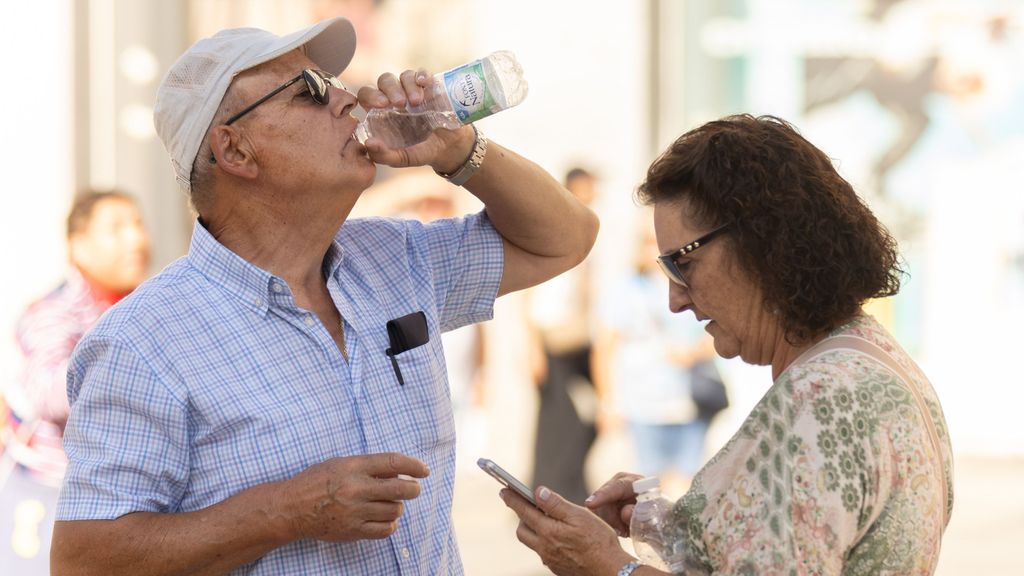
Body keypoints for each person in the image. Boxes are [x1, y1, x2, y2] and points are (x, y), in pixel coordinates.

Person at [50, 17, 598, 576]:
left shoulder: (392, 256)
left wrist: (458, 150)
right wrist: (283, 511)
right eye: (310, 91)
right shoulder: (142, 342)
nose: (348, 98)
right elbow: (82, 562)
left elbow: (565, 239)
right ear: (236, 150)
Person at [499, 114, 953, 575]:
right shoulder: (872, 358)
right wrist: (672, 525)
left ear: (762, 245)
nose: (675, 298)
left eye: (682, 264)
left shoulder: (819, 396)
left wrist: (605, 565)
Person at [0, 190, 150, 572]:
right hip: (51, 497)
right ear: (78, 246)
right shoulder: (53, 311)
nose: (136, 239)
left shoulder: (145, 306)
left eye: (137, 224)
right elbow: (49, 390)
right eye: (116, 229)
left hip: (123, 502)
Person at [592, 215, 718, 495]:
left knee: (686, 483)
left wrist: (691, 354)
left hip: (689, 400)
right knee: (649, 483)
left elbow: (716, 335)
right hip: (643, 402)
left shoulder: (694, 285)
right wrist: (607, 401)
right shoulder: (626, 288)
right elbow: (605, 347)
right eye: (650, 242)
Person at [525, 167, 599, 505]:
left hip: (578, 339)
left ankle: (571, 487)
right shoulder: (553, 229)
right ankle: (550, 490)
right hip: (553, 340)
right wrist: (534, 348)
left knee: (584, 421)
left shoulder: (585, 232)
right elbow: (530, 297)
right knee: (559, 421)